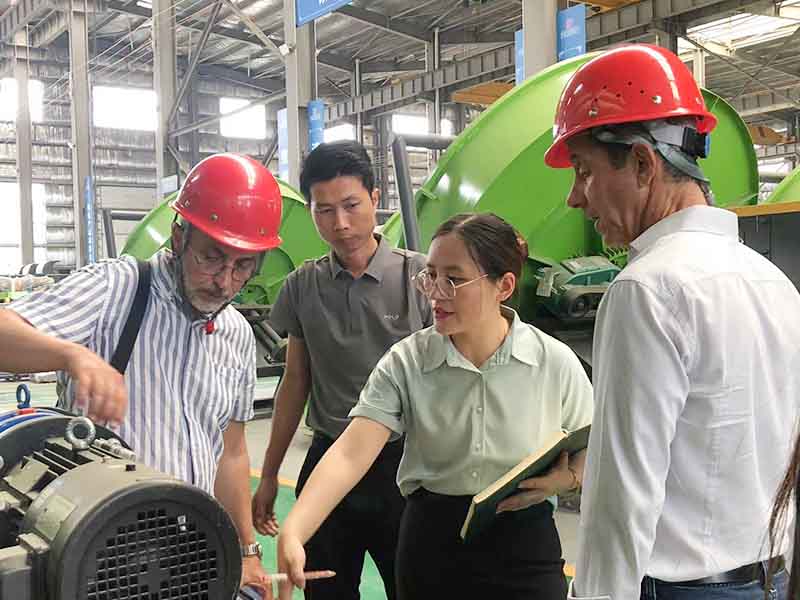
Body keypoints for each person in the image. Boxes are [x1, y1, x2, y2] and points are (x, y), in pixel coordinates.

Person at [544, 43, 800, 600]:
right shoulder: (774, 283)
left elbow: (621, 495)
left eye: (584, 171)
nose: (574, 198)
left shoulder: (647, 289)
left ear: (642, 162)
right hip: (768, 579)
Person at [0, 153, 282, 593]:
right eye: (212, 258)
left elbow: (231, 453)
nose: (225, 282)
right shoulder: (119, 289)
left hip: (186, 554)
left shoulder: (237, 335)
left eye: (243, 266)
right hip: (101, 550)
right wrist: (70, 355)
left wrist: (246, 551)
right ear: (178, 234)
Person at [275, 212, 593, 600]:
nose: (435, 291)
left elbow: (591, 446)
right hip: (432, 543)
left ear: (504, 286)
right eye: (431, 275)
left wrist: (569, 479)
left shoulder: (552, 362)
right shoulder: (407, 362)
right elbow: (350, 453)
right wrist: (295, 530)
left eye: (454, 279)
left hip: (524, 540)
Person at [251, 140, 432, 600]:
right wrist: (270, 473)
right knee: (324, 589)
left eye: (351, 205)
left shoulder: (424, 279)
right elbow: (295, 382)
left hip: (406, 466)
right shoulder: (302, 286)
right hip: (328, 460)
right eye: (324, 210)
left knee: (414, 585)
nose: (341, 223)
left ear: (375, 198)